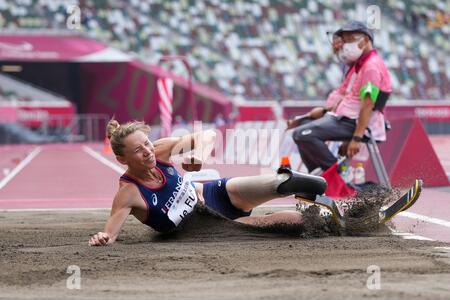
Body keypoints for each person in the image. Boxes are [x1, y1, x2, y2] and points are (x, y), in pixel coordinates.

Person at [88, 119, 327, 246]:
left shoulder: (160, 151)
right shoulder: (128, 193)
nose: (148, 152)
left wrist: (199, 156)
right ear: (122, 159)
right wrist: (102, 238)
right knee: (286, 223)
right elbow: (110, 234)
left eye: (147, 144)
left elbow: (208, 135)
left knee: (279, 183)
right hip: (208, 228)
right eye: (139, 151)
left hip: (216, 194)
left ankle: (308, 187)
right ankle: (330, 221)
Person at [287, 21, 392, 173]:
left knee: (302, 134)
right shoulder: (358, 66)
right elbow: (347, 99)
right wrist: (324, 112)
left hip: (354, 124)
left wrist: (356, 138)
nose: (345, 45)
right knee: (302, 128)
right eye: (345, 40)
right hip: (345, 120)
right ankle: (318, 177)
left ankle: (336, 177)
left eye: (350, 39)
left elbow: (368, 105)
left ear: (366, 40)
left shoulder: (371, 67)